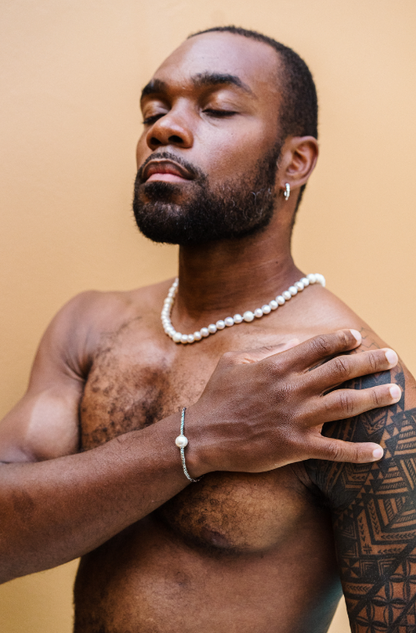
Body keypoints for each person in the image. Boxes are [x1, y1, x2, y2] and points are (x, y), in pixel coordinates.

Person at [0, 25, 414, 633]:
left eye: (217, 108)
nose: (163, 128)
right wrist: (198, 439)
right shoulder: (92, 327)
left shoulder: (348, 384)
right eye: (154, 109)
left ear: (294, 161)